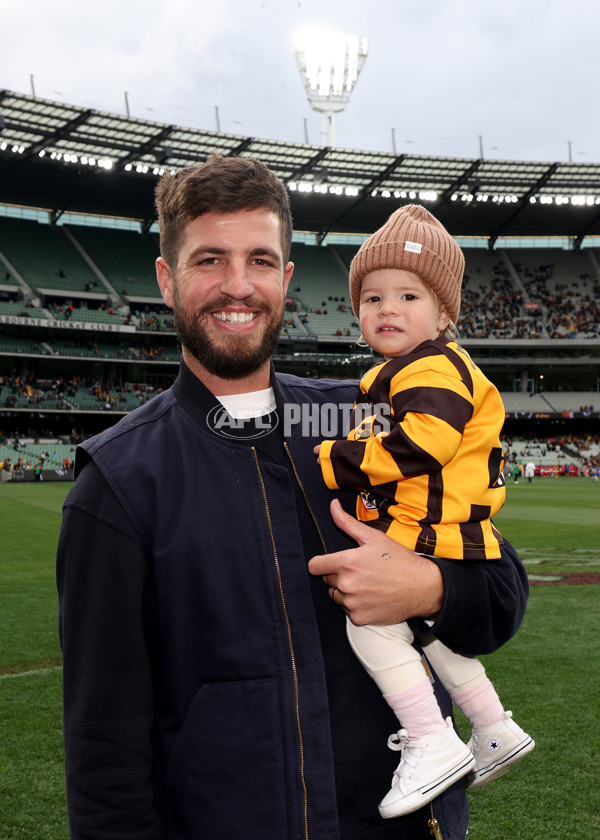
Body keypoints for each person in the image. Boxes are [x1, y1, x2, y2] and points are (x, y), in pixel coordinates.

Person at [56, 155, 529, 840]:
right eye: (209, 260)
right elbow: (106, 756)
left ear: (286, 279)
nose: (237, 286)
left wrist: (428, 588)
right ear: (167, 278)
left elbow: (503, 593)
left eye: (259, 260)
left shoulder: (368, 420)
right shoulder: (121, 478)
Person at [315, 205, 534, 819]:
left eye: (408, 295)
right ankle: (492, 725)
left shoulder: (431, 367)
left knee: (371, 626)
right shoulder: (400, 371)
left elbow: (426, 443)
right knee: (427, 630)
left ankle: (431, 738)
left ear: (444, 314)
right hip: (443, 528)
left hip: (428, 528)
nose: (386, 309)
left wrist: (340, 458)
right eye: (371, 297)